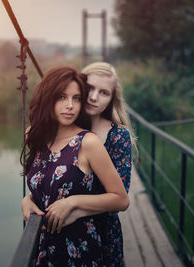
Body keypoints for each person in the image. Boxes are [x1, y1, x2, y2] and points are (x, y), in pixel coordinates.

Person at [22, 62, 137, 266]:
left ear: (111, 99)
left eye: (103, 92)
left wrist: (73, 205)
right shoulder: (57, 128)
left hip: (97, 230)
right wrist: (29, 199)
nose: (93, 97)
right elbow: (54, 180)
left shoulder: (108, 137)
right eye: (90, 89)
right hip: (48, 238)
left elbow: (120, 198)